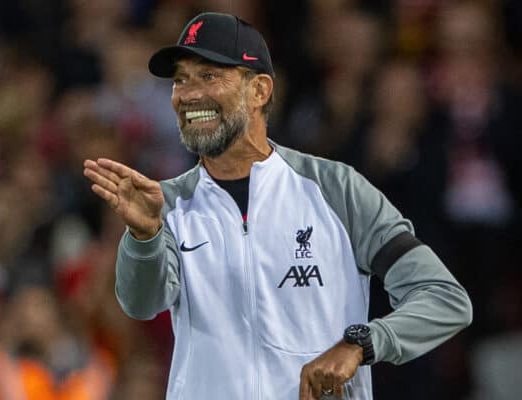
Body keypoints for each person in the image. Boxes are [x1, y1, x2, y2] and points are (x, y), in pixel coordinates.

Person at [83, 12, 472, 400]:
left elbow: (444, 298)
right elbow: (140, 304)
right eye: (180, 80)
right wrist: (145, 235)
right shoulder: (165, 204)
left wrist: (362, 344)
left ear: (260, 91)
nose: (188, 94)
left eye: (209, 76)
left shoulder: (336, 190)